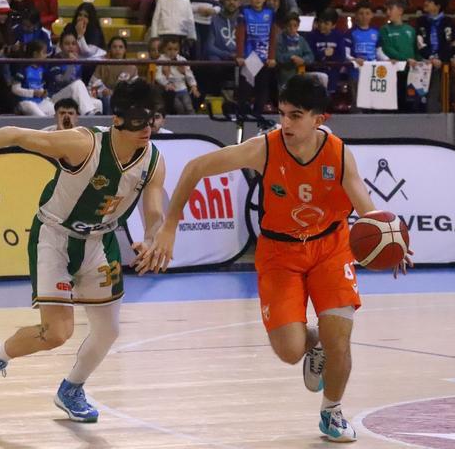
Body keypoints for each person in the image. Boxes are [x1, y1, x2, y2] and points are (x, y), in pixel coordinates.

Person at [135, 74, 411, 443]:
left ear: (319, 119)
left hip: (330, 248)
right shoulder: (264, 148)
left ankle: (331, 411)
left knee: (340, 340)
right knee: (290, 351)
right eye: (282, 114)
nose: (286, 123)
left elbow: (367, 210)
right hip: (280, 253)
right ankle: (315, 343)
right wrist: (170, 225)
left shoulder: (340, 155)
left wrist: (391, 241)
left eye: (295, 116)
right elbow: (194, 168)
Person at [0, 78, 167, 423]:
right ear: (118, 120)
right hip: (55, 237)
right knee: (58, 333)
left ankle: (71, 389)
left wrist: (152, 238)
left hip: (99, 242)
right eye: (139, 122)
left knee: (109, 331)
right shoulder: (82, 144)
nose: (147, 130)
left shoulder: (153, 161)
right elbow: (16, 134)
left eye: (151, 121)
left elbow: (153, 212)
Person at [415, 0, 455, 113]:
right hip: (426, 64)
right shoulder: (421, 21)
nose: (425, 3)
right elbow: (420, 43)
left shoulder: (449, 22)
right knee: (426, 96)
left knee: (444, 94)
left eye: (429, 2)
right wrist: (431, 57)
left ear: (438, 6)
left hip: (445, 64)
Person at [236, 0, 277, 118]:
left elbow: (272, 36)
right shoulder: (244, 12)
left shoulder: (270, 13)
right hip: (250, 56)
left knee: (262, 87)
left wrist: (271, 56)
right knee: (245, 88)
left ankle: (257, 115)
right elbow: (241, 35)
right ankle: (242, 115)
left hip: (264, 56)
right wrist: (240, 55)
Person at [380, 0, 417, 112]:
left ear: (400, 11)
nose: (388, 13)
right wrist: (406, 59)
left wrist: (420, 61)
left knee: (410, 105)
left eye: (390, 9)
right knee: (394, 105)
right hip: (393, 73)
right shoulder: (385, 29)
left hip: (410, 73)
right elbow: (387, 49)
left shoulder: (410, 30)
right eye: (387, 10)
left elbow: (415, 50)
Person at [155, 37, 199, 114]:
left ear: (179, 50)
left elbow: (189, 74)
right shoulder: (161, 60)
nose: (172, 52)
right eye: (169, 49)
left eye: (175, 49)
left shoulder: (182, 60)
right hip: (172, 90)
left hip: (183, 89)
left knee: (189, 107)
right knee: (179, 108)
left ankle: (193, 122)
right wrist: (166, 84)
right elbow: (158, 76)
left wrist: (193, 85)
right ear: (164, 49)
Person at [276, 12, 314, 90]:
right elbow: (278, 57)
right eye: (289, 25)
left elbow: (310, 56)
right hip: (284, 75)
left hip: (300, 72)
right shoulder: (279, 39)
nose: (292, 28)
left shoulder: (301, 40)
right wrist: (291, 57)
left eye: (295, 25)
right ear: (285, 26)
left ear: (298, 26)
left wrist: (303, 60)